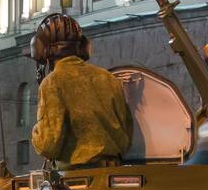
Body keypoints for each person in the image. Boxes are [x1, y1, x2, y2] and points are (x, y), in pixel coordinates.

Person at [29, 13, 133, 168]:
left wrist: (35, 133)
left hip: (75, 181)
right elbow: (127, 135)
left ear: (41, 49)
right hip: (113, 175)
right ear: (83, 47)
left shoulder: (52, 82)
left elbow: (48, 145)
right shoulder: (108, 78)